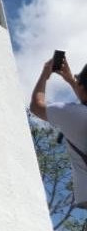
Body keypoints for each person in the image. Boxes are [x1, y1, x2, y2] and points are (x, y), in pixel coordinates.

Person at [29, 56, 87, 208]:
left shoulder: (75, 114)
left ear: (82, 86)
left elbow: (37, 106)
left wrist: (45, 75)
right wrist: (72, 81)